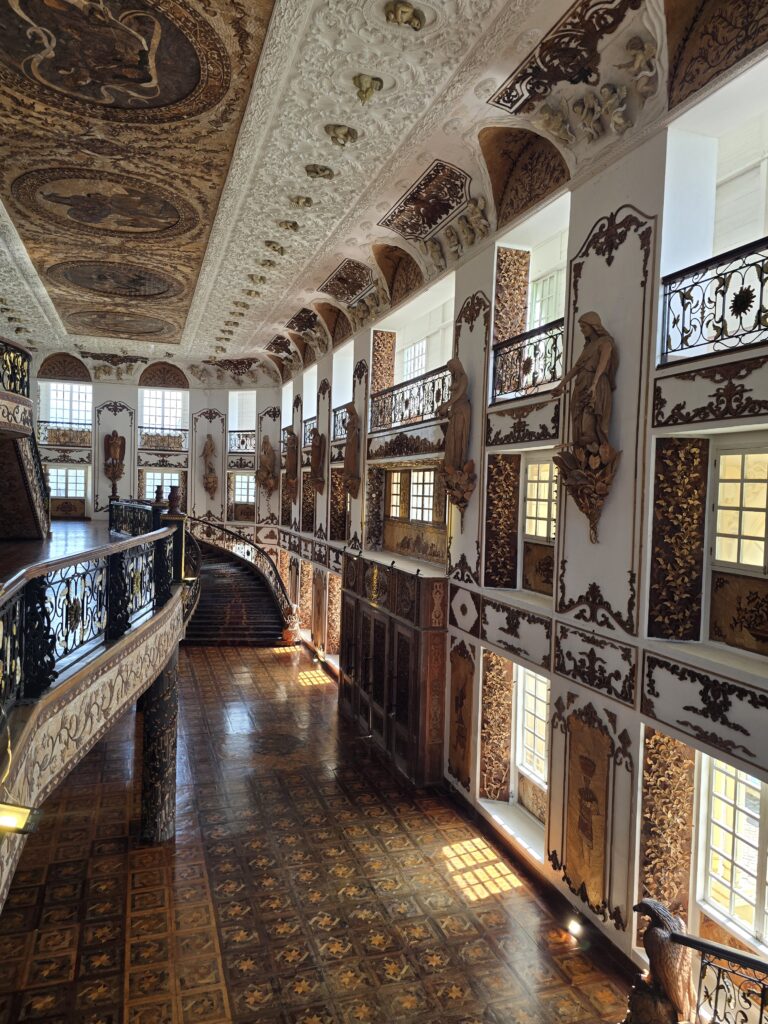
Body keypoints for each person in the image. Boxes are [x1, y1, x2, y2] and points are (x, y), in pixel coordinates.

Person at [552, 312, 618, 448]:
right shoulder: (588, 346)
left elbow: (602, 365)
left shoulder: (606, 342)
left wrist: (594, 385)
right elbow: (576, 367)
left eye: (584, 327)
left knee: (588, 424)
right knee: (577, 421)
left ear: (594, 326)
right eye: (581, 327)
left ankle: (594, 452)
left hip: (596, 384)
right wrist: (560, 386)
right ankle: (581, 454)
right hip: (581, 384)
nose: (582, 331)